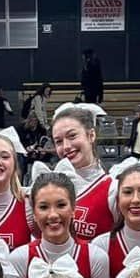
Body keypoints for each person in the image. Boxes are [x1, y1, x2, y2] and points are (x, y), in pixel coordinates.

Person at [7, 172, 109, 278]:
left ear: (73, 209)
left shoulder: (96, 257)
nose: (53, 215)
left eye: (61, 205)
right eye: (44, 207)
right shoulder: (19, 259)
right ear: (34, 213)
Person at [48, 103, 116, 240]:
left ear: (91, 135)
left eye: (72, 136)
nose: (66, 146)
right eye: (58, 141)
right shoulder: (46, 187)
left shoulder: (112, 188)